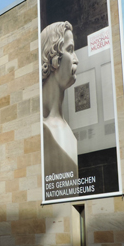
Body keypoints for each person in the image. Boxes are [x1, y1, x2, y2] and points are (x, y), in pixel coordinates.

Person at [41, 21, 79, 179]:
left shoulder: (67, 130)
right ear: (53, 58)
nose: (76, 59)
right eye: (70, 50)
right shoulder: (43, 128)